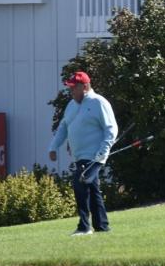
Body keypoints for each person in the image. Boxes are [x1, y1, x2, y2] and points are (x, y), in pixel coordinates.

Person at [47, 71, 119, 236]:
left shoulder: (99, 102)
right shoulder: (71, 105)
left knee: (80, 182)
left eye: (74, 88)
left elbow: (111, 130)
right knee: (92, 189)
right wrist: (53, 147)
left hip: (95, 156)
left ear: (85, 86)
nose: (71, 91)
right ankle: (102, 226)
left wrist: (103, 152)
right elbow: (64, 127)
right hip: (80, 156)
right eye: (70, 88)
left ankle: (84, 226)